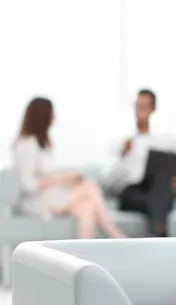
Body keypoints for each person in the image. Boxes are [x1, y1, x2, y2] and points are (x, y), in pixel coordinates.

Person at [13, 97, 126, 239]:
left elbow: (48, 176)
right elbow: (28, 184)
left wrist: (66, 180)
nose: (54, 118)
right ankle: (111, 228)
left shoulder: (45, 144)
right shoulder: (26, 144)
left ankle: (82, 257)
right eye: (52, 114)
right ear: (43, 116)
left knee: (88, 208)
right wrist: (62, 178)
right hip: (37, 200)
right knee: (88, 186)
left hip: (51, 194)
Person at [101, 89, 176, 237]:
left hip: (156, 188)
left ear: (152, 109)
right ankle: (161, 232)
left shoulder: (165, 140)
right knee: (156, 198)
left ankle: (158, 229)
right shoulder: (120, 139)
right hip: (131, 192)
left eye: (144, 107)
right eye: (137, 106)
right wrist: (123, 155)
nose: (140, 111)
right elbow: (106, 181)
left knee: (162, 184)